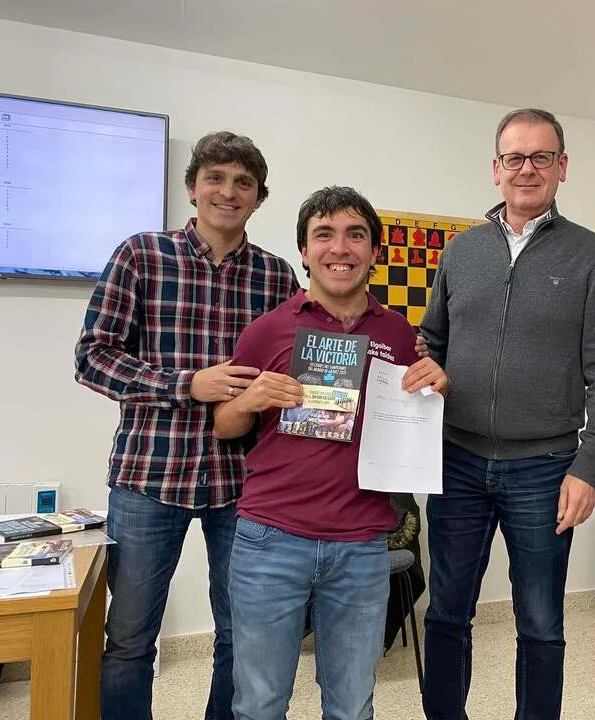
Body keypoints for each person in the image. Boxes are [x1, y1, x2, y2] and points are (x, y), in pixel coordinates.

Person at [74, 131, 299, 720]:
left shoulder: (277, 277)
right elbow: (92, 357)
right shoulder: (141, 255)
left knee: (240, 634)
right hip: (149, 476)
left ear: (259, 197)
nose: (229, 192)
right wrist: (186, 384)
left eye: (243, 183)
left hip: (244, 482)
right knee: (129, 639)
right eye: (215, 178)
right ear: (192, 188)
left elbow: (310, 357)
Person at [419, 108, 595, 720]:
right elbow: (432, 342)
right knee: (447, 612)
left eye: (541, 157)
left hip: (546, 467)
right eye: (515, 157)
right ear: (496, 168)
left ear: (562, 166)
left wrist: (589, 467)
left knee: (540, 621)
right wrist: (427, 372)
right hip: (457, 462)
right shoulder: (461, 252)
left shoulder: (591, 255)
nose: (527, 168)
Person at [212, 186, 448, 720]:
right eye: (324, 234)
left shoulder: (399, 333)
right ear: (304, 250)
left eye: (355, 235)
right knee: (259, 704)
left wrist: (437, 385)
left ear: (374, 251)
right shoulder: (267, 330)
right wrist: (248, 399)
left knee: (351, 706)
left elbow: (414, 411)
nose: (340, 248)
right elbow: (225, 426)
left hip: (362, 544)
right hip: (270, 540)